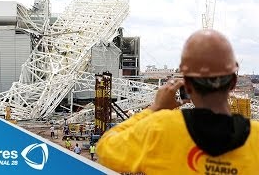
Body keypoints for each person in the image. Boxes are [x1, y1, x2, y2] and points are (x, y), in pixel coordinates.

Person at [96, 29, 259, 174]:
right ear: (233, 82)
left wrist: (156, 108)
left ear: (187, 85)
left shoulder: (160, 128)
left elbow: (105, 149)